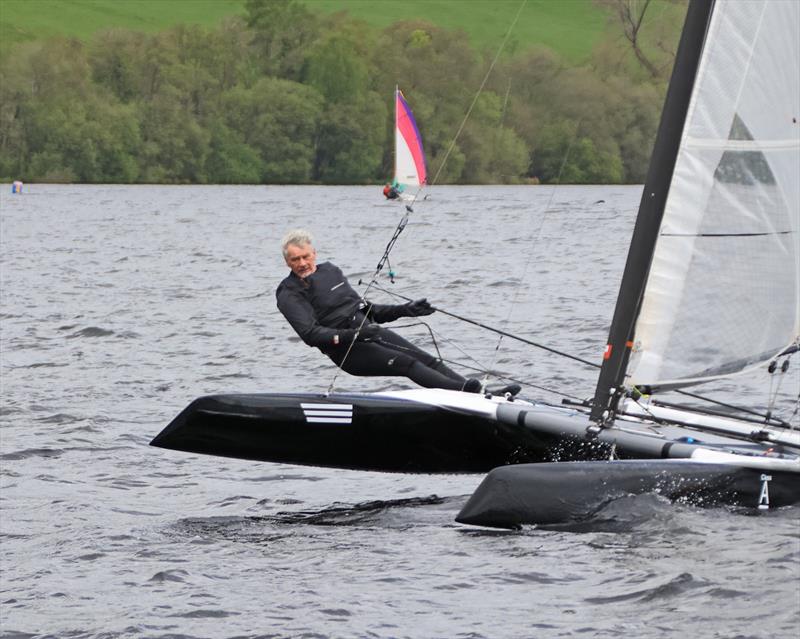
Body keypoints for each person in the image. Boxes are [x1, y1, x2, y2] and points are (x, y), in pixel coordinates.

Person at [276, 229, 521, 396]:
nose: (302, 263)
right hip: (348, 350)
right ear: (288, 263)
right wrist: (355, 336)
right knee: (407, 363)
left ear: (314, 254)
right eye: (295, 259)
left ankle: (484, 395)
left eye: (305, 256)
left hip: (369, 332)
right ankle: (466, 392)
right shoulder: (289, 293)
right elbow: (311, 334)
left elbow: (368, 310)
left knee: (429, 360)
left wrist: (406, 310)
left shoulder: (330, 270)